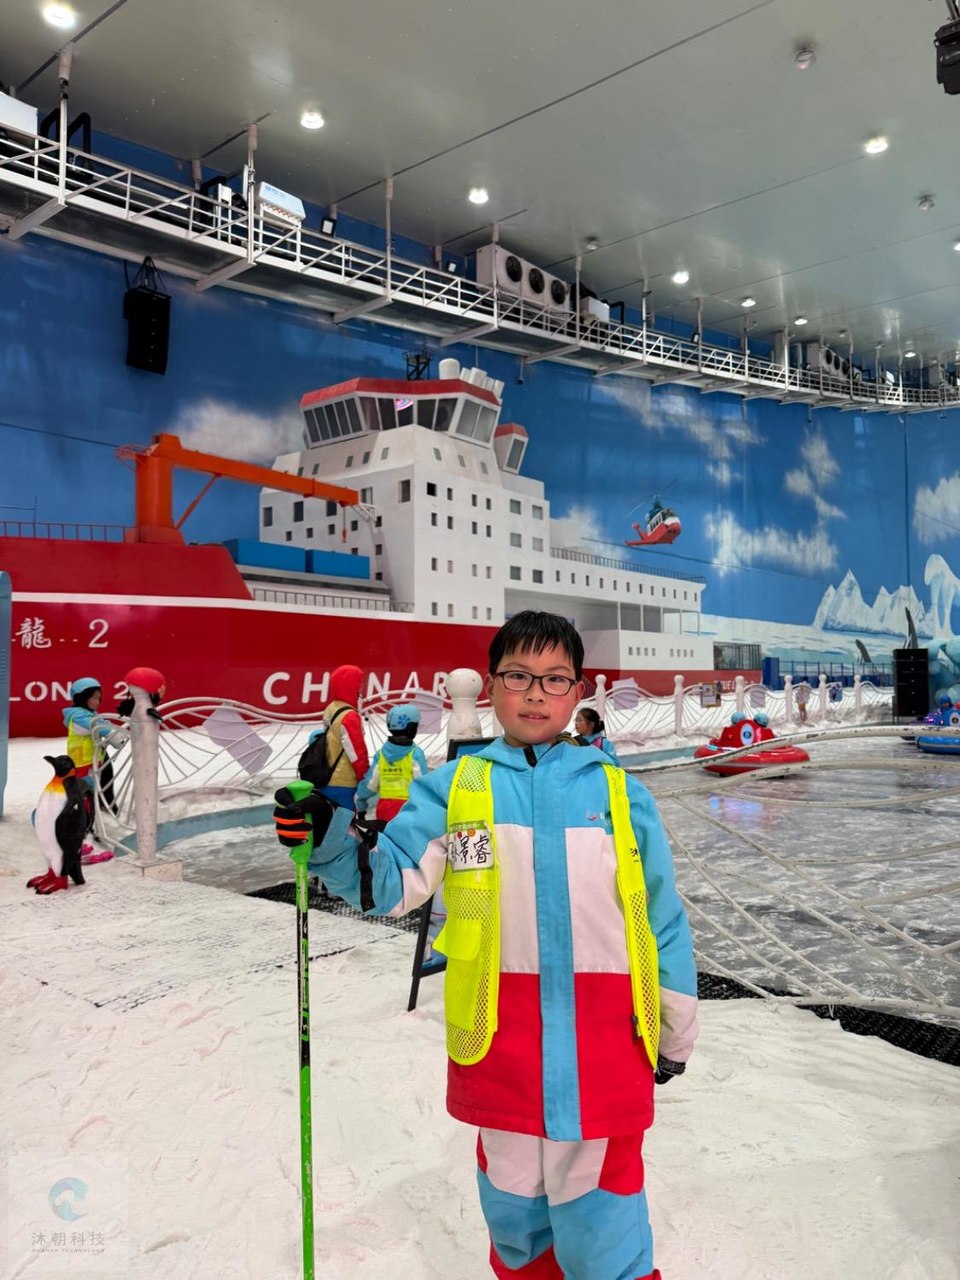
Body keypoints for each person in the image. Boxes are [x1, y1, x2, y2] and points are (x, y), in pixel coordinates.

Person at [274, 610, 698, 1280]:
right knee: (516, 1224)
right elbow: (391, 881)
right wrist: (327, 837)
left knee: (606, 1231)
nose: (536, 694)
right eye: (519, 676)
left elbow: (662, 921)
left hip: (605, 1052)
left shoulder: (622, 795)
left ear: (578, 691)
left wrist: (674, 1032)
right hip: (500, 1051)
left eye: (555, 679)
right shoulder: (454, 789)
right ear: (491, 685)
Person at [356, 704, 430, 829]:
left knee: (386, 839)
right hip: (408, 808)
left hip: (384, 809)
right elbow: (423, 783)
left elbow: (369, 785)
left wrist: (360, 804)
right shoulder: (415, 754)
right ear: (412, 728)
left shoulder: (381, 755)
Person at [309, 663, 370, 810]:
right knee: (346, 822)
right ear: (352, 685)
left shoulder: (331, 708)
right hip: (344, 781)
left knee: (329, 821)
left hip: (326, 777)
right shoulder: (350, 716)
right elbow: (356, 753)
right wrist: (364, 777)